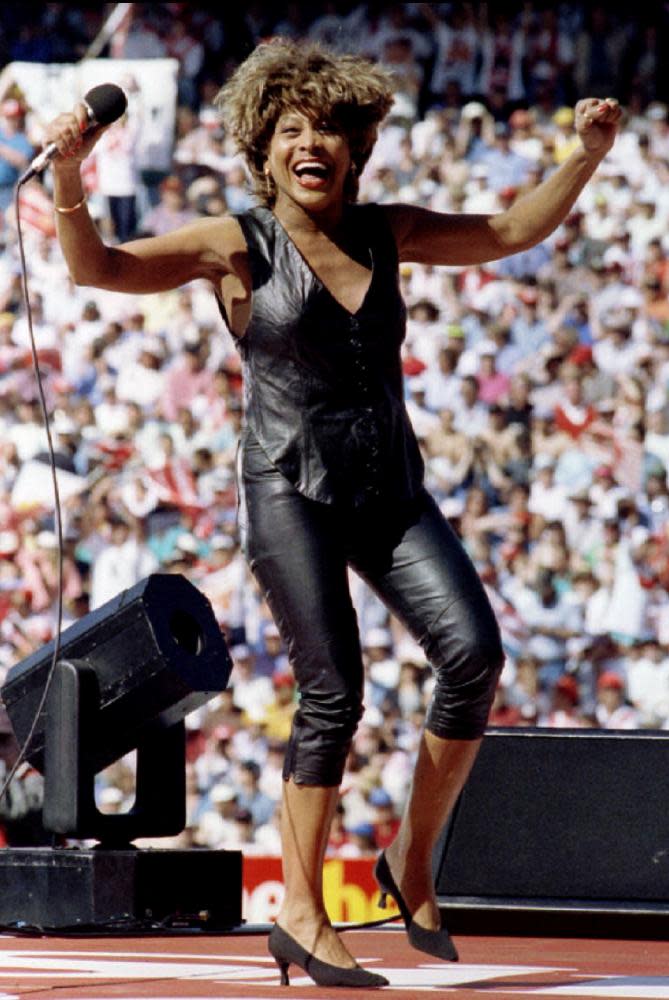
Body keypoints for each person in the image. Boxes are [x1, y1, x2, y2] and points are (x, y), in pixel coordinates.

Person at [43, 38, 621, 989]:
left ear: (358, 151)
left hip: (389, 490)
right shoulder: (232, 243)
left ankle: (410, 859)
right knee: (332, 692)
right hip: (288, 489)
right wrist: (70, 177)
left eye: (332, 132)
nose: (312, 144)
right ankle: (303, 915)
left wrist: (584, 156)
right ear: (262, 147)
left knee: (474, 653)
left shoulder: (385, 231)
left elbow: (511, 231)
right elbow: (99, 268)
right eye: (292, 130)